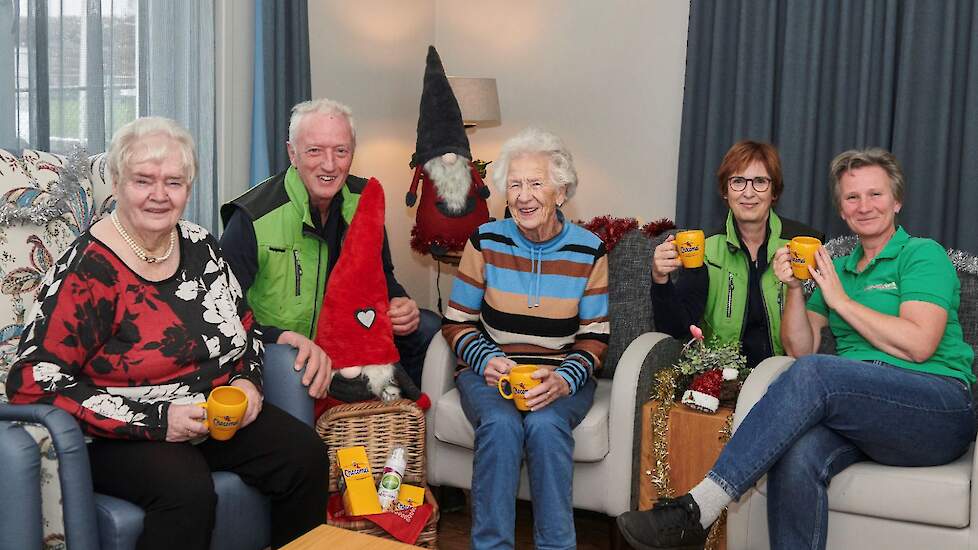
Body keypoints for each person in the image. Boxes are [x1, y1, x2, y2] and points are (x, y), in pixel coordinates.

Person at [618, 148, 975, 550]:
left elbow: (919, 345)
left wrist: (841, 302)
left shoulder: (921, 255)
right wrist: (793, 290)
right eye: (852, 197)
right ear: (841, 209)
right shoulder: (835, 270)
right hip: (867, 415)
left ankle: (698, 508)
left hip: (937, 408)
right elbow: (800, 349)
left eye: (875, 195)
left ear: (897, 201)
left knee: (815, 372)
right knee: (795, 454)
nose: (864, 206)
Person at [5, 117, 329, 549]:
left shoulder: (200, 245)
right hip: (120, 435)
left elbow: (246, 330)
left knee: (304, 454)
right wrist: (159, 420)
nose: (160, 195)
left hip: (212, 417)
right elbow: (29, 379)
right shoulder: (88, 268)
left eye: (174, 182)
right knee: (186, 489)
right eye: (144, 181)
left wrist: (246, 382)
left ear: (189, 188)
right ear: (118, 183)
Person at [442, 127, 610, 549]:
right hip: (492, 372)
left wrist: (564, 380)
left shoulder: (589, 250)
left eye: (536, 183)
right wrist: (484, 360)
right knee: (499, 425)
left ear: (561, 191)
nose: (523, 195)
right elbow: (456, 321)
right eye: (514, 184)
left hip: (559, 375)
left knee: (546, 424)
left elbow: (594, 337)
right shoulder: (485, 241)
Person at [220, 98, 438, 404]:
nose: (329, 164)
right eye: (314, 151)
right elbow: (221, 313)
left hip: (350, 338)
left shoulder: (365, 200)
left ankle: (403, 428)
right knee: (293, 364)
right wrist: (276, 337)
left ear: (352, 153)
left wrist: (399, 301)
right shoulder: (252, 218)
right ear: (292, 153)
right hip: (283, 346)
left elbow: (382, 276)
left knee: (427, 326)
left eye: (341, 151)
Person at [652, 141, 823, 368]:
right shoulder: (706, 251)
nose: (748, 193)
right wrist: (660, 280)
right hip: (720, 381)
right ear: (725, 191)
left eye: (760, 181)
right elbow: (674, 329)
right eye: (738, 181)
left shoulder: (803, 247)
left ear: (775, 192)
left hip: (781, 377)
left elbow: (806, 350)